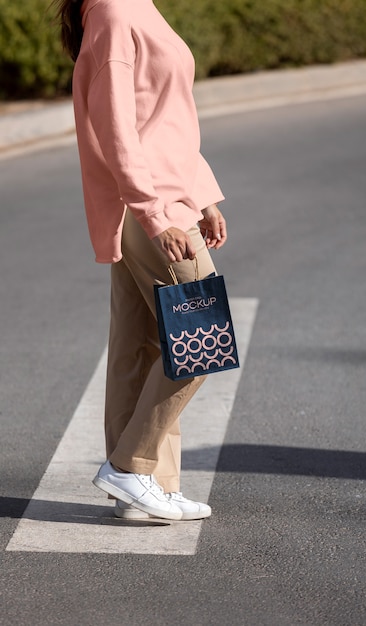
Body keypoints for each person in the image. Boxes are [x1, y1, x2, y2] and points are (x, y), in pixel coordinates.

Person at [54, 0, 227, 521]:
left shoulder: (137, 6)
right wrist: (154, 212)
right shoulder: (112, 11)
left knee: (142, 348)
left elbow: (166, 115)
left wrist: (202, 196)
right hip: (147, 204)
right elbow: (117, 127)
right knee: (202, 341)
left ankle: (146, 485)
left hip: (169, 198)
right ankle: (130, 466)